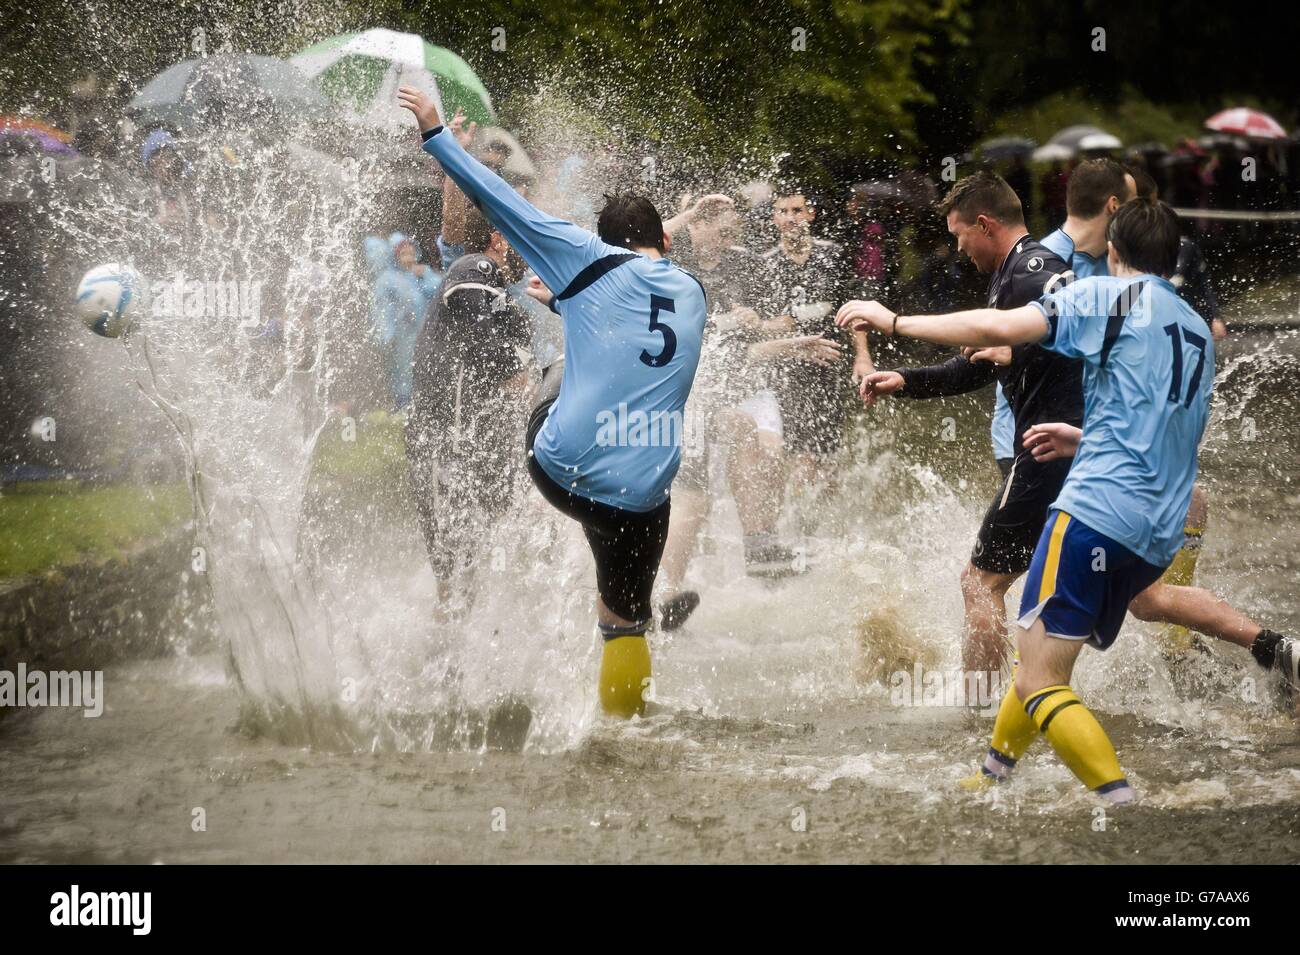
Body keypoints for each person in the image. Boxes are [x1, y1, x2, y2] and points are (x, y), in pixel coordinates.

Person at [838, 199, 1298, 801]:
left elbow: (997, 327)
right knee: (1039, 645)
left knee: (1040, 680)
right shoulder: (1193, 327)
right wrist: (1084, 436)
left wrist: (893, 319)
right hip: (1156, 527)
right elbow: (1166, 426)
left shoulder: (1109, 296)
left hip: (1097, 511)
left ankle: (1119, 802)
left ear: (1114, 251)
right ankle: (992, 773)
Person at [399, 85, 707, 719]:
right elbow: (638, 290)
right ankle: (626, 733)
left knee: (561, 366)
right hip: (647, 487)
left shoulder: (588, 259)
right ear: (667, 246)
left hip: (563, 468)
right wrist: (569, 297)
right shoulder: (693, 291)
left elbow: (502, 201)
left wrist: (435, 133)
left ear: (603, 242)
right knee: (627, 621)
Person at [857, 173, 1078, 677]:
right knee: (1121, 592)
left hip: (1047, 450)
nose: (959, 249)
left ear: (985, 223)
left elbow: (1068, 331)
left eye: (960, 235)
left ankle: (980, 708)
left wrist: (892, 321)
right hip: (1065, 449)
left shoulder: (1033, 270)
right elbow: (977, 365)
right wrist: (904, 380)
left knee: (980, 582)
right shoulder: (1015, 275)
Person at [405, 206, 533, 621]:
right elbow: (480, 338)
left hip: (460, 434)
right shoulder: (473, 266)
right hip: (446, 433)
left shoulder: (492, 284)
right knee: (453, 547)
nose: (526, 249)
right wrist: (515, 367)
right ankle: (447, 640)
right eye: (517, 235)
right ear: (497, 238)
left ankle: (458, 634)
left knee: (469, 541)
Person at [371, 233, 439, 410]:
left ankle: (422, 404)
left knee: (423, 367)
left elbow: (438, 291)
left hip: (422, 332)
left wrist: (425, 275)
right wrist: (387, 332)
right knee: (402, 370)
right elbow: (382, 307)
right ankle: (402, 405)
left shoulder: (421, 273)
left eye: (411, 253)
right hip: (402, 335)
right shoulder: (387, 279)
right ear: (395, 256)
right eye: (404, 254)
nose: (409, 258)